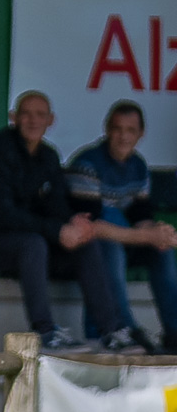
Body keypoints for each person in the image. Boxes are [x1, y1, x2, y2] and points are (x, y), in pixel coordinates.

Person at [0, 91, 126, 352]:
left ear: (51, 120)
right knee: (33, 244)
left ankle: (112, 331)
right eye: (26, 114)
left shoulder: (48, 156)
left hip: (16, 244)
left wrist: (73, 225)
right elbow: (1, 216)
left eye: (40, 115)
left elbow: (55, 207)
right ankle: (46, 331)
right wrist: (58, 230)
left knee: (84, 243)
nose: (33, 120)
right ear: (13, 117)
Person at [67, 101, 177, 353]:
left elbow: (141, 215)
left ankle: (174, 331)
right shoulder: (88, 163)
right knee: (111, 221)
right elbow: (91, 225)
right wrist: (144, 234)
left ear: (141, 133)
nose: (123, 136)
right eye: (117, 129)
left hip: (121, 239)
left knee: (162, 249)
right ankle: (123, 328)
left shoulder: (138, 165)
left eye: (130, 130)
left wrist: (159, 234)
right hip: (84, 248)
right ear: (106, 129)